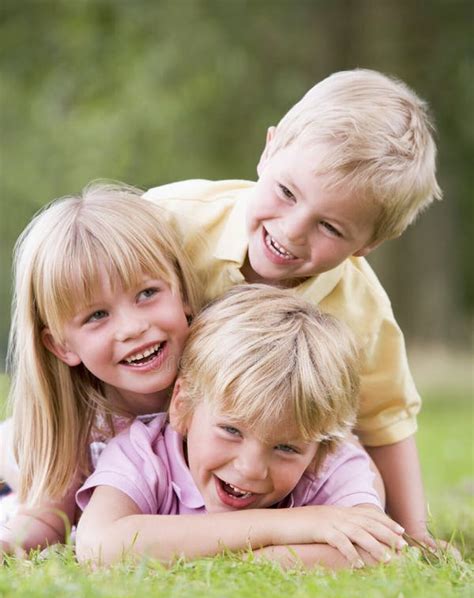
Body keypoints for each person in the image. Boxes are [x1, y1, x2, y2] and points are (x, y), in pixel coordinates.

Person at [143, 68, 442, 547]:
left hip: (247, 460)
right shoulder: (166, 222)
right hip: (129, 429)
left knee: (355, 464)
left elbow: (385, 419)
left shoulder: (360, 308)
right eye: (286, 192)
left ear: (372, 242)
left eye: (331, 227)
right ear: (269, 149)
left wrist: (415, 530)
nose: (292, 229)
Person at [75, 285, 406, 570]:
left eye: (286, 448)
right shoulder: (143, 453)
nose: (250, 469)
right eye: (231, 431)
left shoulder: (331, 462)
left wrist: (205, 558)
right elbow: (99, 544)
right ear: (182, 404)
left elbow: (376, 554)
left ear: (322, 449)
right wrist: (289, 527)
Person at [0, 183, 203, 555]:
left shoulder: (223, 380)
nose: (132, 328)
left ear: (182, 293)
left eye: (147, 293)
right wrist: (11, 543)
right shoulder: (81, 419)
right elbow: (47, 517)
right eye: (97, 315)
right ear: (61, 346)